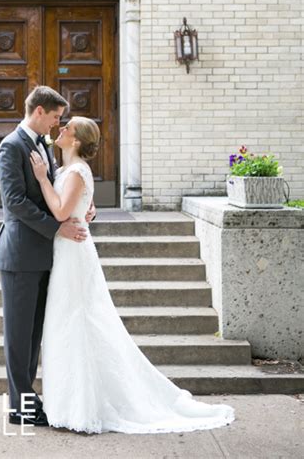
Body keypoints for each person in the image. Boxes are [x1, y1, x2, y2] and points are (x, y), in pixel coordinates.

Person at [30, 116, 236, 434]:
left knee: (76, 319)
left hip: (73, 253)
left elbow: (59, 212)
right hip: (68, 249)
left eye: (67, 128)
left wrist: (42, 179)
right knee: (70, 320)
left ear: (77, 140)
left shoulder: (73, 172)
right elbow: (75, 208)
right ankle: (74, 402)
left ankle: (84, 406)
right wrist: (77, 201)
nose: (61, 129)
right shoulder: (70, 171)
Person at [0, 86, 95, 427]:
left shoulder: (41, 146)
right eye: (54, 117)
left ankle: (28, 398)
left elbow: (57, 188)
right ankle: (19, 405)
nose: (56, 124)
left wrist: (82, 207)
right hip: (20, 255)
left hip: (45, 256)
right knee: (19, 336)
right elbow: (16, 203)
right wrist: (57, 228)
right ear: (39, 112)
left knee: (35, 334)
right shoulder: (11, 146)